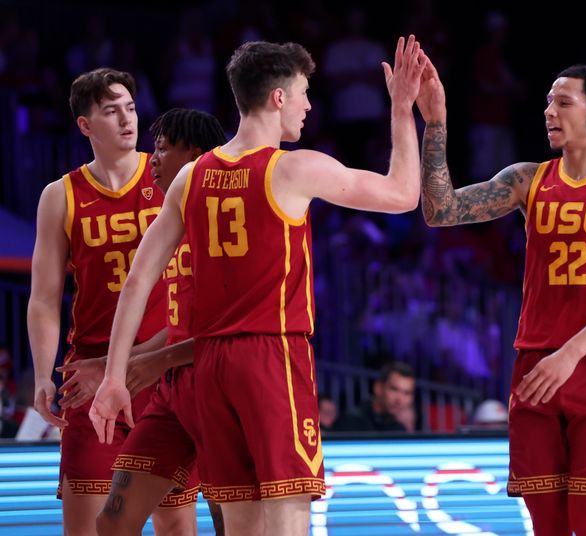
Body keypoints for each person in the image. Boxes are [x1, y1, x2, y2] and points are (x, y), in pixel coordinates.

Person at [89, 36, 427, 535]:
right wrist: (401, 109)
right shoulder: (293, 167)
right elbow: (402, 194)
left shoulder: (192, 176)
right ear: (278, 97)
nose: (310, 104)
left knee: (242, 524)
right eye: (305, 92)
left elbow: (139, 277)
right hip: (271, 357)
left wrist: (115, 377)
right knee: (288, 518)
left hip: (210, 367)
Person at [416, 61, 586, 535]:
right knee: (548, 528)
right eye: (549, 101)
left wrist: (569, 354)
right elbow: (440, 211)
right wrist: (436, 123)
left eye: (563, 102)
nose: (549, 110)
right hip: (534, 364)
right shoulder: (529, 179)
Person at [25, 68, 175, 535]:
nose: (128, 120)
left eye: (130, 107)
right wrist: (43, 374)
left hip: (164, 371)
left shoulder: (171, 178)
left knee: (177, 527)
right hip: (90, 376)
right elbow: (45, 299)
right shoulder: (60, 196)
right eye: (112, 111)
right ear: (86, 125)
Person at [72, 108, 224, 535]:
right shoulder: (170, 222)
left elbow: (225, 330)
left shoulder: (220, 223)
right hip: (173, 391)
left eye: (162, 148)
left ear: (194, 154)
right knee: (113, 521)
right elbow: (179, 325)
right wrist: (113, 366)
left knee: (229, 521)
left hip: (221, 387)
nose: (151, 159)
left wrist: (151, 361)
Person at [333, 361, 416, 432]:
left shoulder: (399, 430)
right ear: (378, 388)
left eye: (407, 393)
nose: (399, 399)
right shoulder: (352, 422)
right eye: (394, 389)